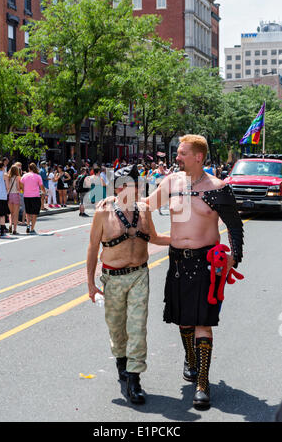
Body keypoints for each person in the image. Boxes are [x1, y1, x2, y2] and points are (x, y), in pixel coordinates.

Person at [144, 134, 244, 410]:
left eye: (182, 153)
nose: (176, 158)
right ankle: (189, 356)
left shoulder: (218, 188)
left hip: (205, 263)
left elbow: (234, 225)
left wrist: (234, 258)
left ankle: (202, 382)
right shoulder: (171, 183)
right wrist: (121, 210)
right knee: (183, 321)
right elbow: (145, 206)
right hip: (177, 261)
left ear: (198, 157)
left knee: (203, 321)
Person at [87, 164, 170, 405]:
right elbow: (93, 248)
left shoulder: (144, 210)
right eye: (122, 185)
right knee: (116, 327)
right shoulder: (103, 212)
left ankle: (134, 379)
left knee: (137, 327)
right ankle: (121, 362)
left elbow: (154, 238)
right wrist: (91, 284)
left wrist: (184, 239)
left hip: (139, 276)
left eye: (132, 185)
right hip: (112, 278)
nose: (127, 189)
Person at [20, 163, 46, 235]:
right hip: (35, 196)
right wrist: (44, 192)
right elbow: (41, 186)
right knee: (34, 213)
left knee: (28, 212)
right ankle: (32, 228)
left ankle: (28, 226)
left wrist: (25, 190)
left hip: (26, 196)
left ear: (29, 168)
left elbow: (21, 185)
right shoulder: (38, 176)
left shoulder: (24, 176)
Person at [7, 164, 21, 235]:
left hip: (9, 196)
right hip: (16, 195)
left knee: (11, 213)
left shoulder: (8, 177)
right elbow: (18, 188)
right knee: (16, 214)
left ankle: (10, 225)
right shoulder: (17, 177)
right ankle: (14, 229)